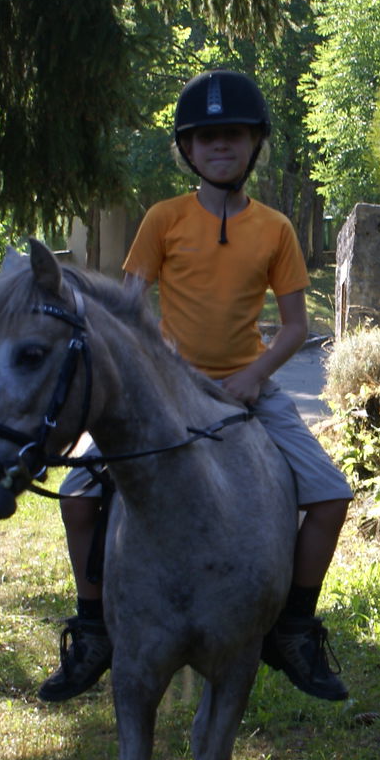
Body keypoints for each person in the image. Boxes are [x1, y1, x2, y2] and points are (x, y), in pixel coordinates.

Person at [37, 69, 352, 704]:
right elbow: (128, 309)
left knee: (330, 497)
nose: (220, 145)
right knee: (77, 497)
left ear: (254, 143)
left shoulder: (276, 229)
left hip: (249, 388)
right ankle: (94, 627)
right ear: (187, 148)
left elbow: (295, 327)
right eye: (206, 137)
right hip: (168, 390)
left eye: (233, 134)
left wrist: (253, 377)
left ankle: (293, 627)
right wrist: (155, 371)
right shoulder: (164, 219)